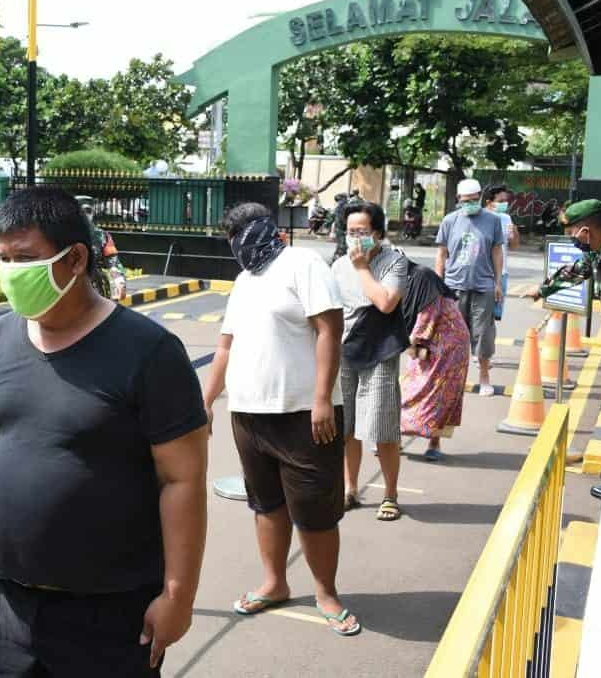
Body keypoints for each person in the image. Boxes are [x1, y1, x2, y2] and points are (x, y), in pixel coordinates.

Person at [0, 187, 209, 676]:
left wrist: (178, 595)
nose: (10, 272)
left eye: (24, 258)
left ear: (74, 259)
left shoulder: (150, 351)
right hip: (7, 603)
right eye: (3, 258)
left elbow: (182, 481)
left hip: (110, 613)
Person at [202, 202, 361, 637]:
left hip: (304, 416)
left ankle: (326, 593)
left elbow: (331, 329)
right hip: (250, 415)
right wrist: (207, 400)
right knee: (265, 502)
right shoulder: (244, 280)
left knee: (314, 511)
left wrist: (323, 399)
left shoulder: (303, 264)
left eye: (241, 234)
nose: (238, 246)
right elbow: (225, 347)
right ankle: (274, 583)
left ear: (264, 229)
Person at [537, 199, 601, 499]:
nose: (572, 238)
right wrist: (542, 289)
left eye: (573, 232)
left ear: (586, 231)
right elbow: (576, 271)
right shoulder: (598, 253)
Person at [331, 202, 409, 521]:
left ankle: (390, 494)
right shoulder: (338, 266)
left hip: (379, 352)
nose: (355, 239)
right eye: (350, 232)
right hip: (344, 350)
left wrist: (362, 267)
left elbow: (386, 303)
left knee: (382, 426)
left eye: (361, 232)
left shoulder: (395, 262)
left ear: (377, 233)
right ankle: (350, 489)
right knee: (346, 427)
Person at [435, 178, 505, 396]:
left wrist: (497, 283)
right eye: (466, 201)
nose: (471, 204)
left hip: (483, 285)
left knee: (483, 333)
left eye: (475, 200)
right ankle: (455, 377)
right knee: (455, 335)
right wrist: (438, 285)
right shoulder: (449, 221)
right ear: (458, 200)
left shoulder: (493, 220)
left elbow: (496, 251)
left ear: (481, 198)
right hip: (454, 286)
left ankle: (484, 377)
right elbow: (441, 254)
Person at [399, 259, 471, 461]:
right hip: (430, 347)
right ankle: (394, 439)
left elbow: (423, 325)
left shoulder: (424, 284)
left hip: (449, 348)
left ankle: (433, 443)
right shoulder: (409, 284)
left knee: (437, 396)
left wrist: (407, 344)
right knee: (410, 389)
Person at [77, 195, 128, 301]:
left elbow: (113, 261)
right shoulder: (61, 236)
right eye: (80, 212)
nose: (85, 215)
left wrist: (119, 281)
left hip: (96, 290)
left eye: (88, 211)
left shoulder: (102, 236)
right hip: (67, 289)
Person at [484, 185, 520, 321]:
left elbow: (514, 245)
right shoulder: (480, 218)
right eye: (500, 201)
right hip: (483, 274)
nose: (504, 204)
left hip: (502, 274)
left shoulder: (506, 218)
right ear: (489, 202)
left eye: (506, 201)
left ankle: (487, 341)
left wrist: (515, 233)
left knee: (494, 317)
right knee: (479, 315)